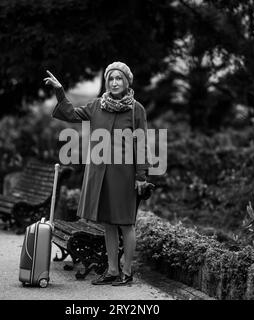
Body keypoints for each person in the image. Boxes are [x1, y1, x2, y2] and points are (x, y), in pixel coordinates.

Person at [44, 62, 150, 286]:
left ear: (127, 82)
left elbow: (141, 145)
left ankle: (127, 272)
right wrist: (59, 90)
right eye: (110, 78)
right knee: (108, 223)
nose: (114, 83)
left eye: (119, 78)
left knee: (125, 223)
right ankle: (112, 270)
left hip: (125, 175)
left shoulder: (136, 110)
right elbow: (71, 114)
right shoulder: (96, 106)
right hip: (100, 174)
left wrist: (141, 176)